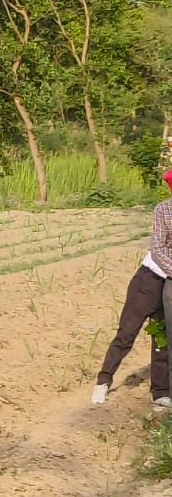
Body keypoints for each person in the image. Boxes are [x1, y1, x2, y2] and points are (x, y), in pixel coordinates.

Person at [92, 168, 172, 408]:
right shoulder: (163, 210)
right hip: (149, 281)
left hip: (169, 287)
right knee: (127, 332)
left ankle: (160, 393)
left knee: (162, 337)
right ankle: (103, 382)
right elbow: (158, 249)